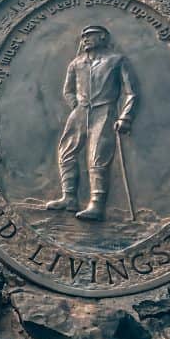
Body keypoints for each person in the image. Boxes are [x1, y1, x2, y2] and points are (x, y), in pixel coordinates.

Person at [45, 25, 137, 221]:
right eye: (83, 36)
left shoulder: (116, 60)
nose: (85, 39)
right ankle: (69, 198)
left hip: (104, 111)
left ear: (102, 37)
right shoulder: (76, 63)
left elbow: (130, 92)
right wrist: (76, 107)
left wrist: (125, 117)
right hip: (80, 111)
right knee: (66, 152)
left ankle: (96, 205)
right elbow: (68, 90)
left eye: (90, 36)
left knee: (98, 156)